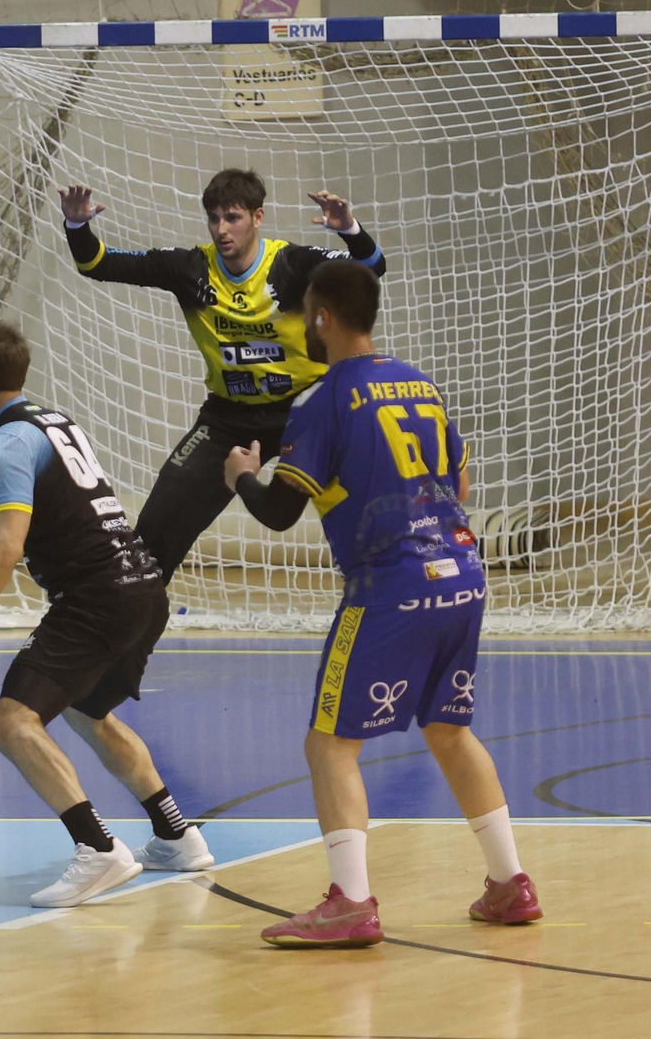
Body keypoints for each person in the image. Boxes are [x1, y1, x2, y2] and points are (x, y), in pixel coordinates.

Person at [223, 260, 540, 947]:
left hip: (391, 586)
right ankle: (510, 884)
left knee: (330, 744)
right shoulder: (419, 383)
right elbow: (457, 471)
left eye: (308, 313)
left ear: (325, 318)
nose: (305, 324)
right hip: (461, 571)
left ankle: (351, 901)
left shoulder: (326, 401)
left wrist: (244, 477)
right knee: (449, 730)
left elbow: (280, 511)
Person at [0, 319, 213, 908]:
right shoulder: (54, 421)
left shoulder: (4, 444)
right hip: (143, 587)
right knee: (84, 710)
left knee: (11, 722)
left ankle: (97, 849)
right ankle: (176, 833)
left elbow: (5, 546)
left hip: (98, 597)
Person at [58, 170, 387, 587]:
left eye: (232, 218)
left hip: (306, 412)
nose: (221, 229)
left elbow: (373, 269)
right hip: (229, 420)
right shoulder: (191, 267)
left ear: (258, 217)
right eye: (214, 218)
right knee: (154, 534)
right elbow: (97, 263)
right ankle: (127, 628)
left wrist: (350, 230)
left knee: (362, 506)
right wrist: (76, 223)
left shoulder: (293, 264)